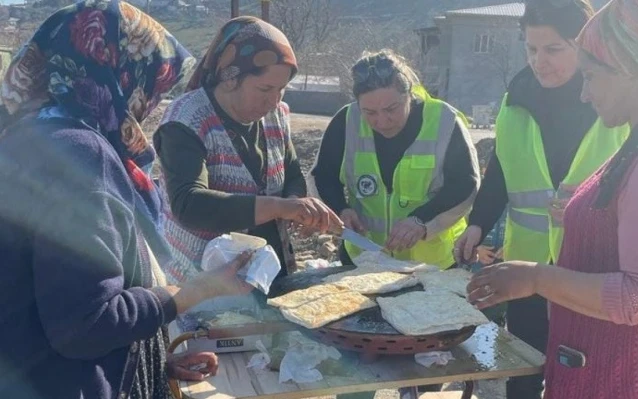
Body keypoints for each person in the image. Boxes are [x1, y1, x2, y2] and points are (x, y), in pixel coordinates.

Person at [0, 1, 259, 398]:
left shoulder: (26, 139)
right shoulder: (81, 156)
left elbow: (44, 305)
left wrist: (154, 362)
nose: (149, 103)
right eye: (152, 85)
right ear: (122, 73)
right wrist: (190, 293)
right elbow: (83, 325)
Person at [468, 0, 638, 397]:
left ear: (633, 72)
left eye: (592, 76)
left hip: (635, 379)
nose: (583, 94)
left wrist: (535, 277)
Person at [453, 1, 629, 397]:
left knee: (583, 367)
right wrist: (478, 223)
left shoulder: (612, 101)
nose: (539, 61)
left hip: (592, 266)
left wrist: (589, 207)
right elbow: (502, 167)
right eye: (531, 49)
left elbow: (637, 176)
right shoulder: (515, 97)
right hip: (526, 262)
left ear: (583, 45)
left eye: (553, 50)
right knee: (524, 363)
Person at [154, 16, 342, 284]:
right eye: (265, 88)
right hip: (203, 283)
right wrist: (278, 207)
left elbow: (291, 175)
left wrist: (296, 205)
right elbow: (189, 205)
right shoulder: (186, 120)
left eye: (282, 89)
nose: (274, 100)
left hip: (267, 273)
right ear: (230, 78)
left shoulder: (275, 114)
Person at [312, 49, 480, 270]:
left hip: (430, 266)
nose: (382, 121)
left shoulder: (444, 122)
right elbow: (322, 176)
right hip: (365, 261)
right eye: (369, 112)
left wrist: (422, 220)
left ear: (408, 94)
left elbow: (465, 184)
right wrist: (340, 209)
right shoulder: (346, 121)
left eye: (391, 109)